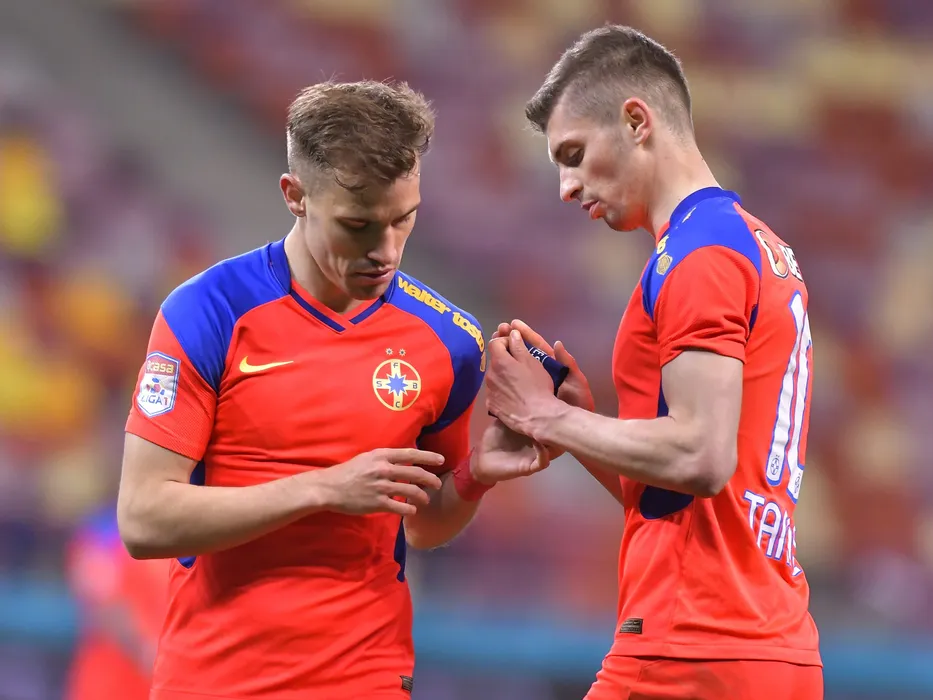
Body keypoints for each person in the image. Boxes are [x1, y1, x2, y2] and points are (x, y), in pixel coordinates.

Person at [117, 80, 547, 699]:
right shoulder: (208, 312)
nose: (386, 251)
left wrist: (477, 475)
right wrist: (323, 488)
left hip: (365, 675)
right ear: (295, 195)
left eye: (404, 219)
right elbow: (143, 519)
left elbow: (425, 526)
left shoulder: (449, 341)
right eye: (357, 225)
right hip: (215, 677)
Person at [484, 25, 823, 700]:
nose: (566, 186)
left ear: (637, 121)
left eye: (574, 154)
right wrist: (582, 427)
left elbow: (699, 456)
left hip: (689, 645)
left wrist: (544, 415)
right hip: (768, 647)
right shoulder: (756, 244)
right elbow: (685, 497)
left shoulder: (698, 257)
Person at [64, 504, 168, 700]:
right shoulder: (103, 532)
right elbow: (100, 600)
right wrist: (145, 650)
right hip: (109, 686)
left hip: (157, 687)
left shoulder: (186, 533)